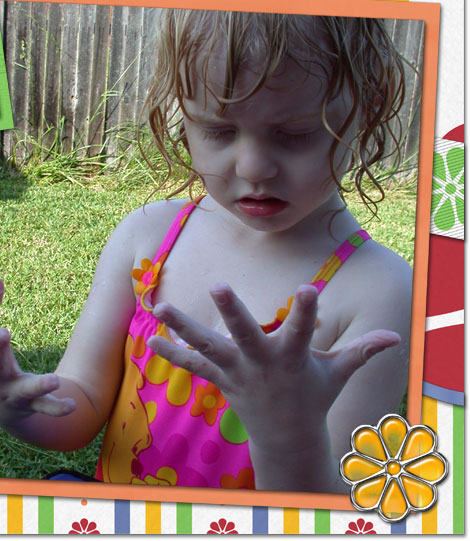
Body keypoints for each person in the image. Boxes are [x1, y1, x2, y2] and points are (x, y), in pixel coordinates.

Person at [0, 10, 412, 493]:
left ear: (369, 104)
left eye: (295, 133)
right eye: (219, 130)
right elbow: (81, 407)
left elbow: (329, 513)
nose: (253, 167)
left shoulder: (379, 290)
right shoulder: (149, 237)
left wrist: (288, 437)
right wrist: (15, 402)